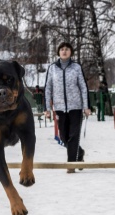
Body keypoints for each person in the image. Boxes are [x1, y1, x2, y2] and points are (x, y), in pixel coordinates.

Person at [44, 41, 91, 173]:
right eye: (62, 49)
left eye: (67, 49)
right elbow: (48, 88)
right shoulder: (52, 68)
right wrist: (47, 108)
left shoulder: (76, 67)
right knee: (64, 137)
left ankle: (71, 165)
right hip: (59, 108)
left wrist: (86, 106)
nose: (64, 51)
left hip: (75, 107)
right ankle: (79, 153)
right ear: (58, 52)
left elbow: (83, 87)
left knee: (74, 136)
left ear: (71, 52)